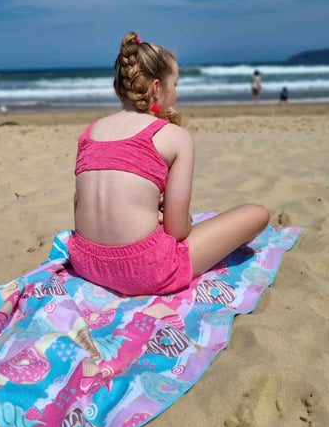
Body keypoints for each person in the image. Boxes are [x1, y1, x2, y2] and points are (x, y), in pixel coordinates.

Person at [67, 31, 270, 296]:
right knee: (257, 214)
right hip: (146, 270)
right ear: (156, 88)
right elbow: (176, 232)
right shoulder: (173, 136)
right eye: (175, 84)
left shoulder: (90, 132)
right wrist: (181, 219)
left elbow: (80, 202)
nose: (177, 92)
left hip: (85, 262)